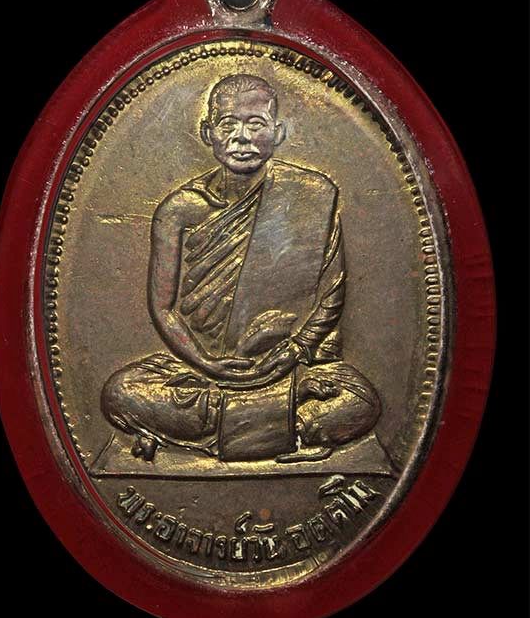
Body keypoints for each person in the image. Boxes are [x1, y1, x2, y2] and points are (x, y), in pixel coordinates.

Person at [102, 74, 380, 462]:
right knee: (122, 391)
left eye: (256, 124)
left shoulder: (312, 194)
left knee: (361, 399)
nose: (241, 138)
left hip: (290, 365)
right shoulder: (179, 209)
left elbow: (332, 291)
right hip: (202, 372)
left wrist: (296, 349)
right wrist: (207, 363)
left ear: (278, 133)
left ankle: (222, 424)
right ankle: (279, 423)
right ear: (208, 133)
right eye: (228, 124)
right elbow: (163, 309)